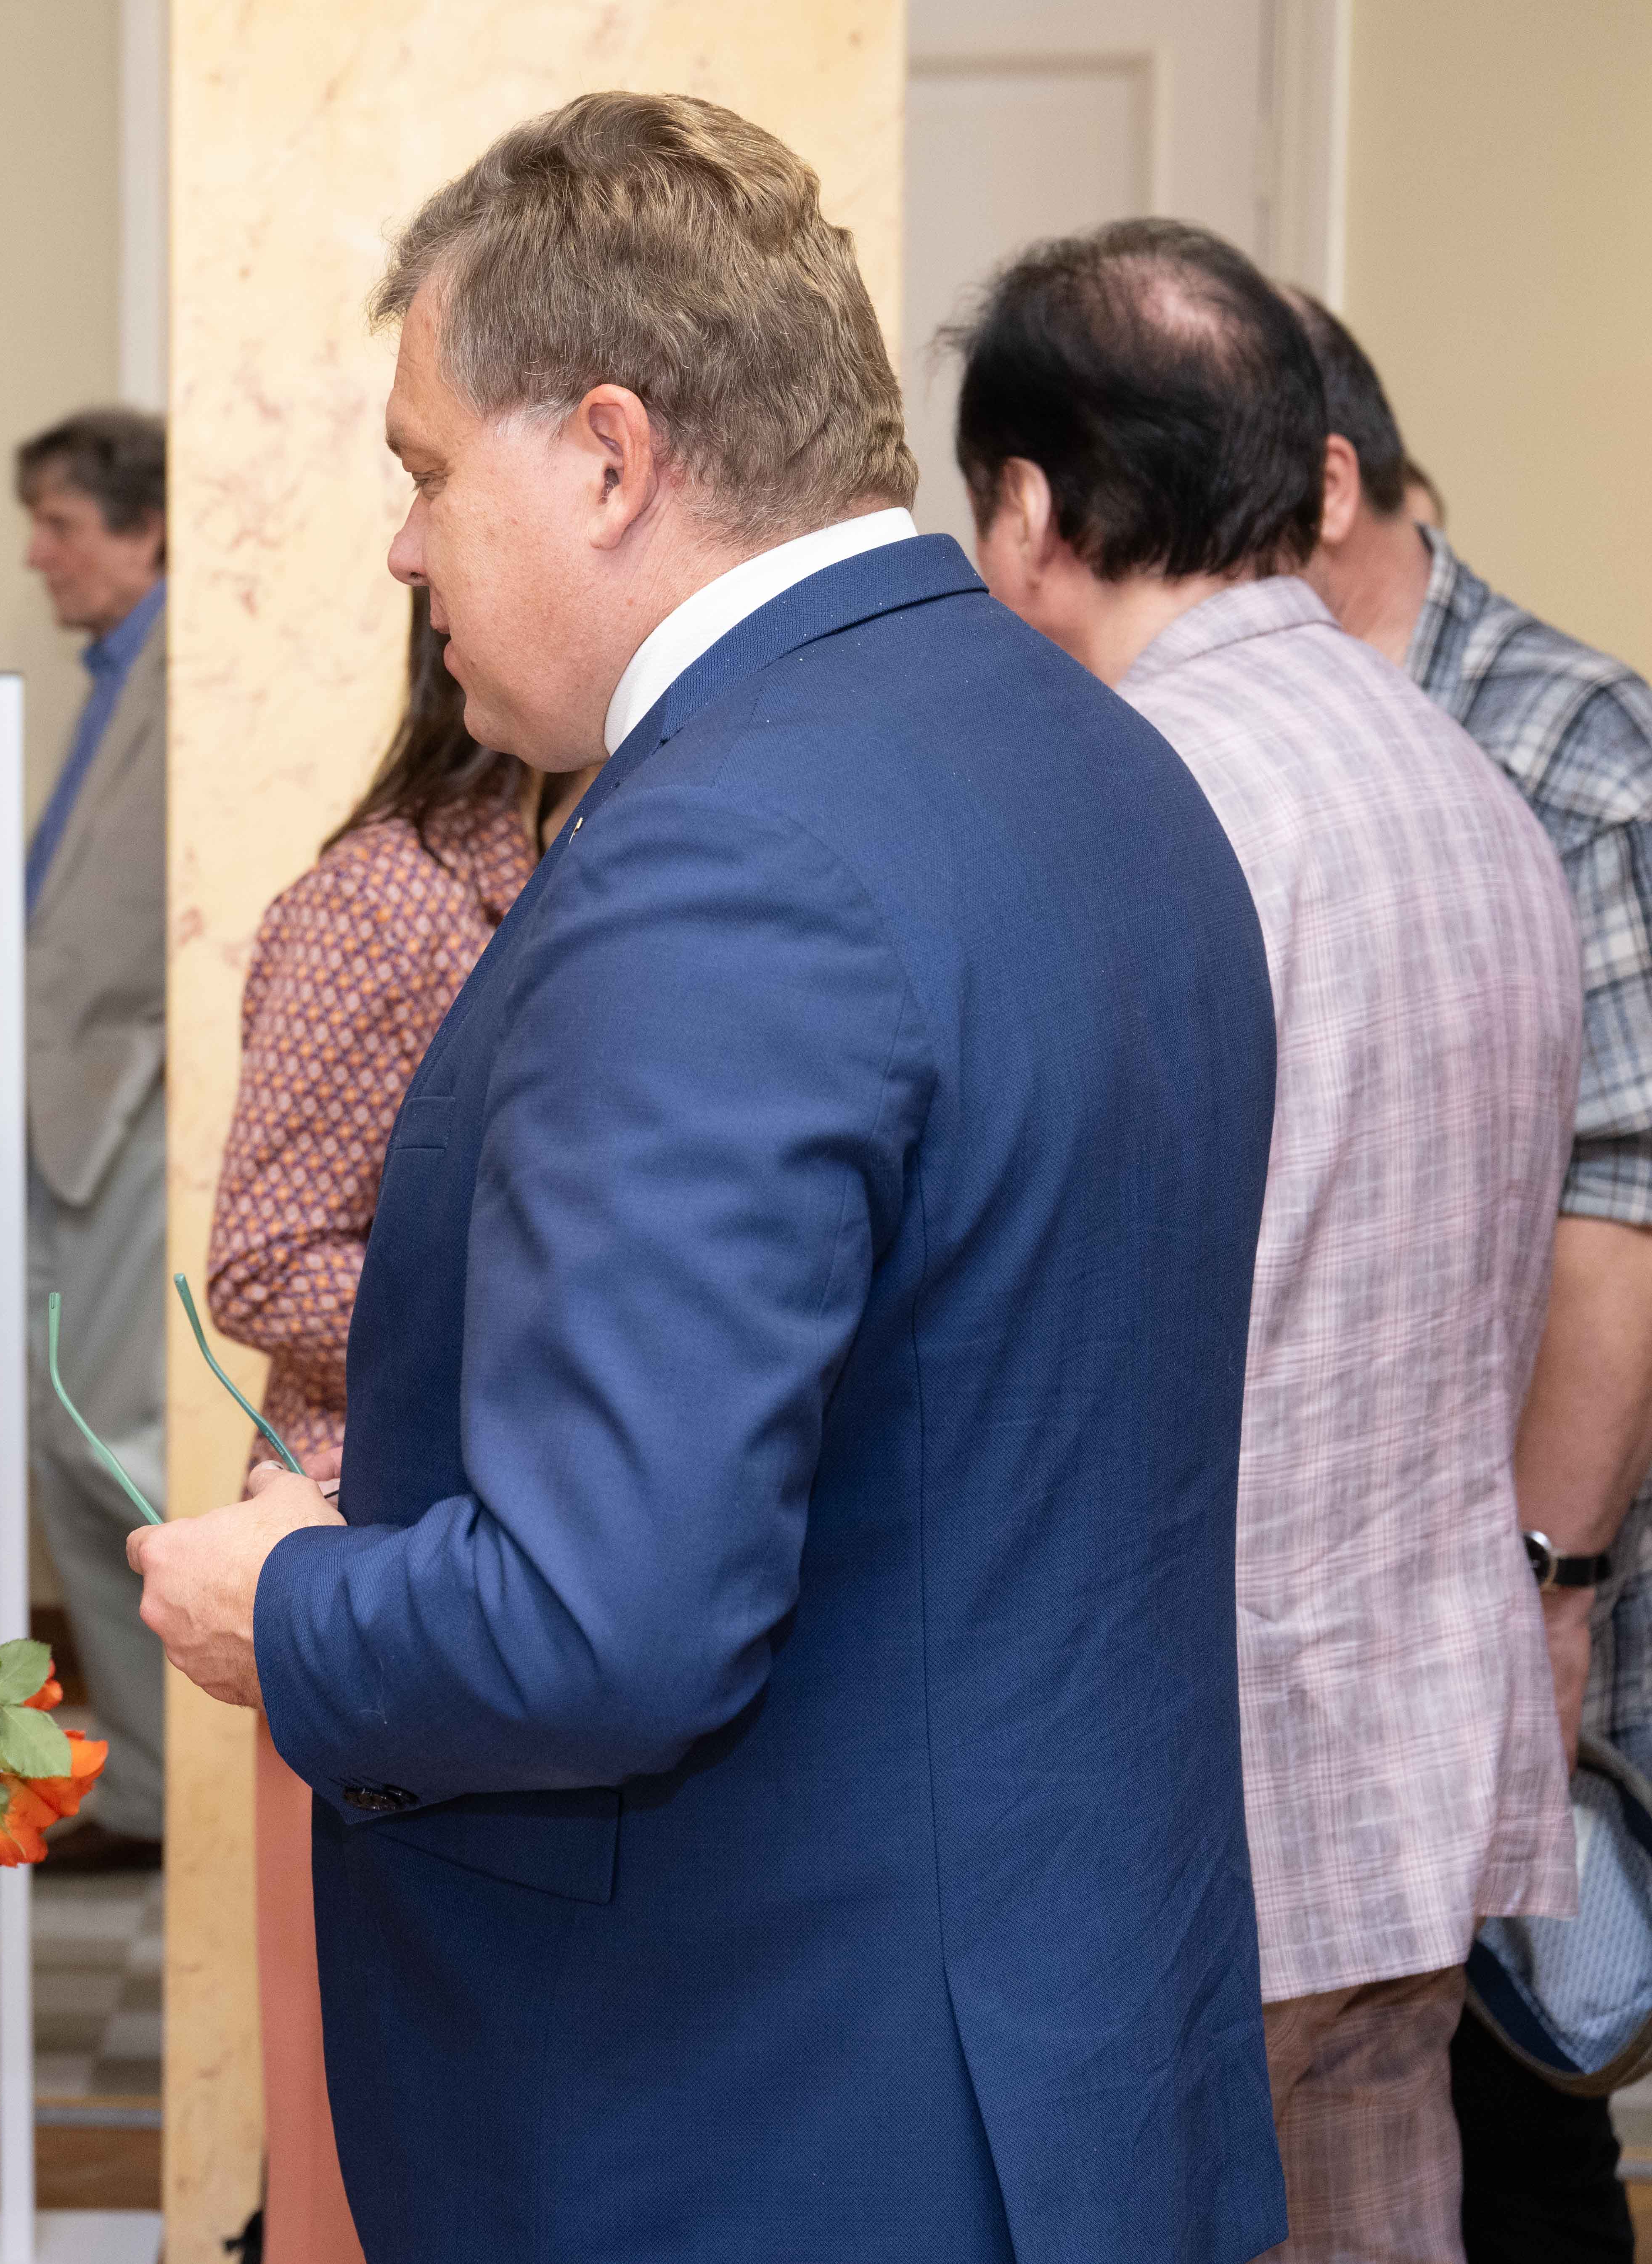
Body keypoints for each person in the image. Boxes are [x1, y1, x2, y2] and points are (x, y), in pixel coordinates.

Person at [130, 93, 1286, 2262]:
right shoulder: (1091, 756)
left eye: (422, 471)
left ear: (605, 454)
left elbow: (607, 1619)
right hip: (1065, 2066)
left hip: (767, 2116)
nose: (400, 550)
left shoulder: (721, 857)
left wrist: (279, 1601)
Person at [958, 219, 1581, 2261]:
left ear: (1029, 509)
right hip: (1415, 1762)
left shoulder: (1131, 804)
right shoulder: (1464, 783)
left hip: (1192, 1781)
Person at [1291, 288, 1652, 2264]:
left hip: (1519, 1598)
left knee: (1519, 2115)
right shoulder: (1260, 739)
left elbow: (1620, 1214)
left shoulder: (1562, 746)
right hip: (1354, 1621)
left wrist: (1549, 1591)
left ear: (1325, 482)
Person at [203, 590, 540, 2264]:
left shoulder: (613, 876)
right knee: (357, 2123)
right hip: (368, 1556)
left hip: (532, 1566)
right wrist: (545, 1328)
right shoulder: (375, 902)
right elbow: (258, 1257)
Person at [0, 405, 171, 1873]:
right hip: (67, 1121)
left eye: (62, 524)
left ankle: (195, 1791)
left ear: (146, 527)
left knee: (117, 1454)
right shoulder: (118, 675)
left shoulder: (194, 666)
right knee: (62, 1443)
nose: (40, 555)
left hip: (136, 1114)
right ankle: (157, 1791)